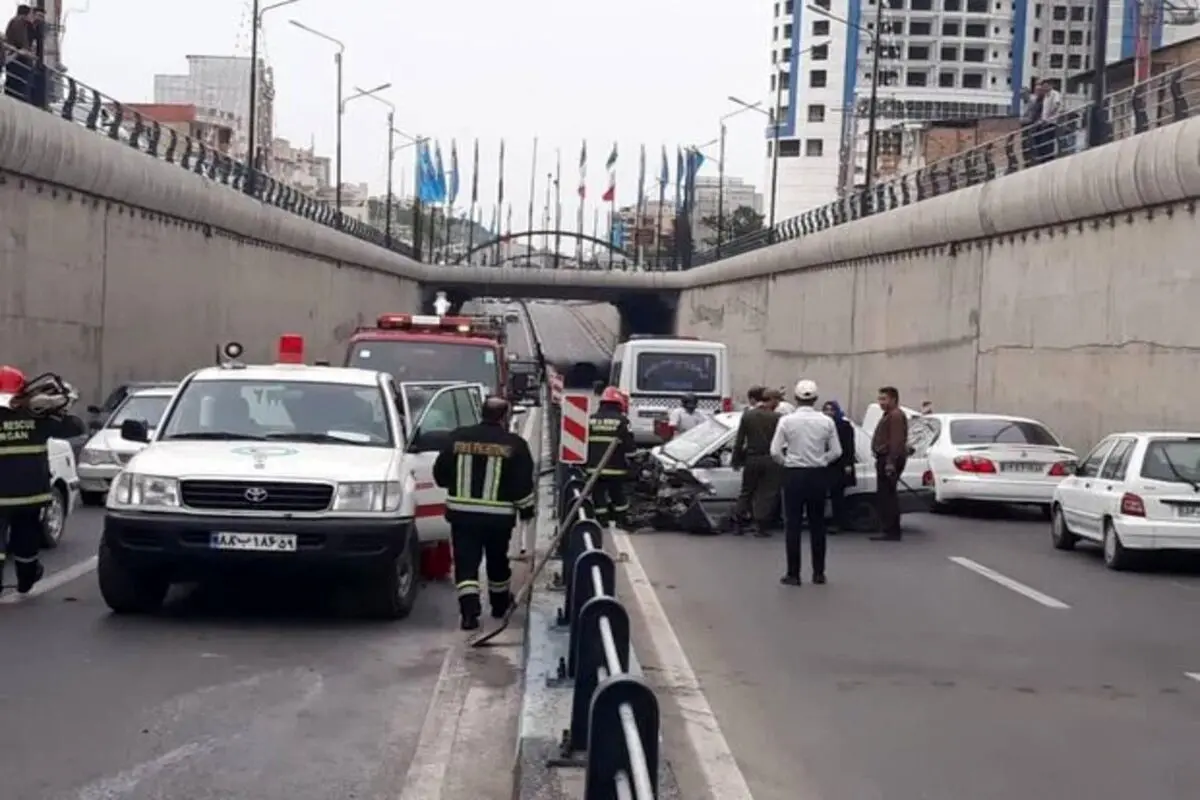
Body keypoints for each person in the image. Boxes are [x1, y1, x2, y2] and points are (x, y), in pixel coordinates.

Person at [433, 396, 536, 631]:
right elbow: (522, 485)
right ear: (504, 416)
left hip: (462, 516)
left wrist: (456, 486)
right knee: (497, 561)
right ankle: (499, 606)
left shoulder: (457, 438)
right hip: (498, 519)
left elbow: (440, 474)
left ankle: (469, 614)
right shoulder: (515, 445)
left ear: (482, 413)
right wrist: (526, 510)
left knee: (466, 564)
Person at [0, 366, 85, 594]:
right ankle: (26, 580)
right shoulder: (36, 417)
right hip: (30, 495)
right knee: (26, 542)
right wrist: (58, 408)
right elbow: (76, 427)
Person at [769, 379, 841, 586]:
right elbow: (836, 451)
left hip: (794, 474)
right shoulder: (826, 421)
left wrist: (788, 462)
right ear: (816, 399)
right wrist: (820, 460)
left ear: (795, 398)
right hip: (817, 475)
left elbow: (775, 451)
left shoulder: (786, 421)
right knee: (818, 524)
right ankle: (819, 573)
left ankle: (793, 573)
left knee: (793, 525)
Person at [732, 388, 783, 536]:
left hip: (752, 458)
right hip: (770, 459)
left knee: (746, 491)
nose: (778, 404)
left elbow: (739, 440)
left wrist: (736, 459)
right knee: (766, 493)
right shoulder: (777, 418)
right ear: (772, 400)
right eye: (777, 401)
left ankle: (738, 523)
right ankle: (761, 526)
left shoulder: (748, 415)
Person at [584, 386, 636, 528]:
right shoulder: (622, 421)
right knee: (617, 494)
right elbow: (630, 447)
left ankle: (602, 521)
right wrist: (633, 462)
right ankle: (620, 520)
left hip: (593, 468)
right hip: (616, 468)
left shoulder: (590, 419)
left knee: (598, 494)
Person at [870, 386, 909, 542]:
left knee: (888, 496)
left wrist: (890, 463)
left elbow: (896, 441)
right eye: (879, 399)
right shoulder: (888, 415)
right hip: (884, 458)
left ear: (893, 399)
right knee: (885, 495)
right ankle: (888, 528)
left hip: (888, 459)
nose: (881, 402)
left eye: (884, 399)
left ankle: (891, 530)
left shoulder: (895, 416)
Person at [822, 400, 857, 532]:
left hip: (839, 465)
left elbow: (849, 446)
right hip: (825, 464)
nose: (828, 412)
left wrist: (848, 463)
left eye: (831, 410)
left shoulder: (844, 426)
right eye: (826, 410)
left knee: (837, 495)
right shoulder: (821, 425)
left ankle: (838, 522)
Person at [3, 5, 34, 103]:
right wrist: (28, 52)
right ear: (27, 14)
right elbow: (21, 40)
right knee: (18, 83)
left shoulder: (16, 21)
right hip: (17, 58)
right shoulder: (19, 22)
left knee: (14, 82)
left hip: (13, 57)